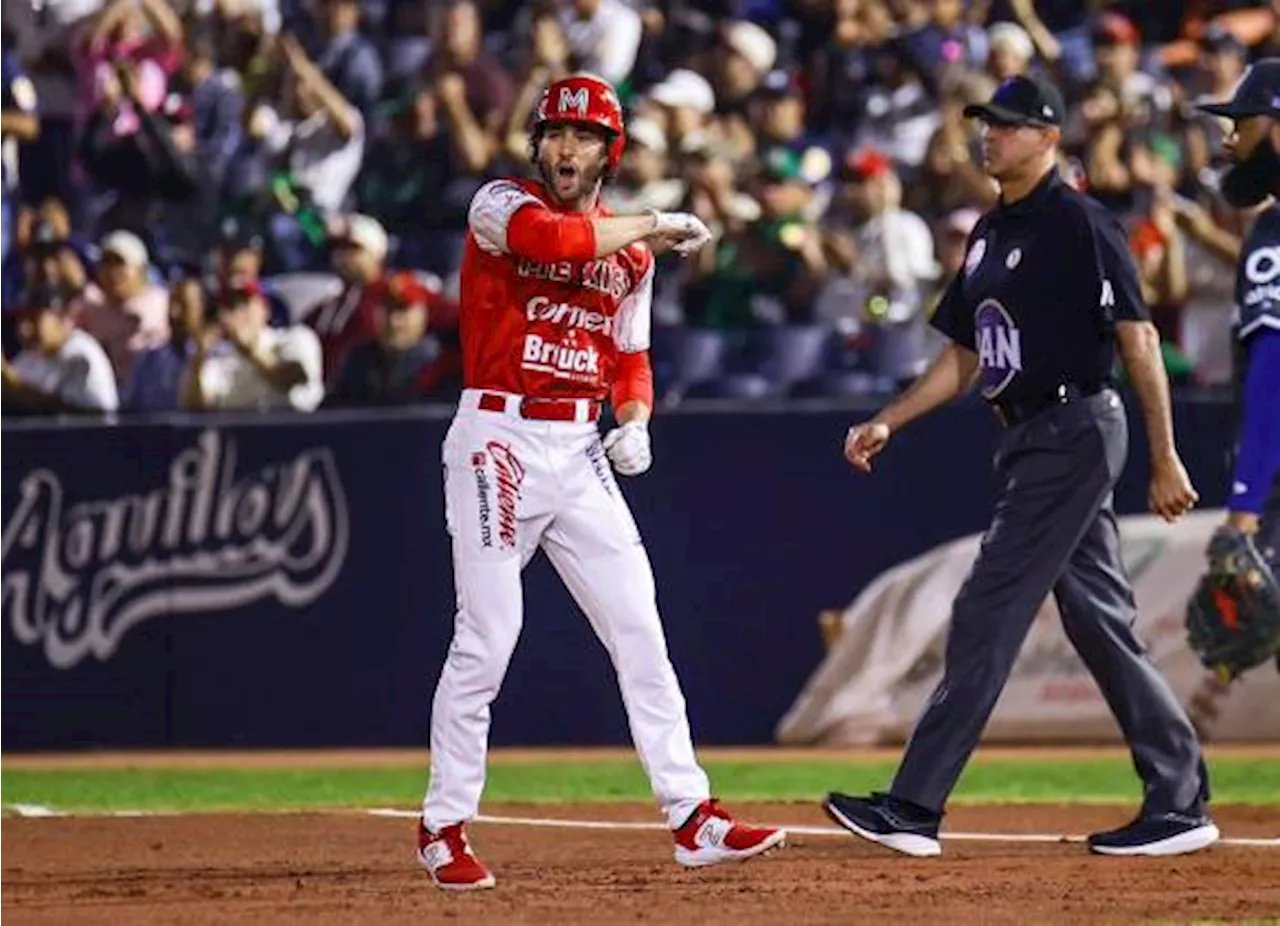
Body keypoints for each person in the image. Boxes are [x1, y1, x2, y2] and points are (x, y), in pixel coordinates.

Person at [821, 75, 1218, 858]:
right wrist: (887, 421)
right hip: (1029, 434)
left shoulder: (1080, 223)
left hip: (1074, 428)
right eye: (984, 124)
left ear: (1047, 136)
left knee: (986, 608)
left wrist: (1166, 456)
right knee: (1099, 623)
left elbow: (1137, 339)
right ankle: (1178, 800)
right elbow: (962, 358)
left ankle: (913, 806)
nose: (987, 136)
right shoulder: (987, 235)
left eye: (1004, 125)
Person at [417, 72, 785, 891]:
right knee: (489, 636)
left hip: (578, 448)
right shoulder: (499, 205)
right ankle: (443, 824)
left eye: (585, 137)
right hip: (498, 437)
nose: (567, 147)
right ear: (538, 142)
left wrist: (638, 419)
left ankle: (692, 817)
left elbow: (630, 357)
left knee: (641, 632)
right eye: (556, 133)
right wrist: (654, 221)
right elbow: (552, 245)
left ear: (608, 152)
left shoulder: (633, 265)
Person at [1184, 60, 1280, 681]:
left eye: (1241, 124)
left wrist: (1245, 507)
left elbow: (1275, 368)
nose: (1229, 140)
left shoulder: (1273, 235)